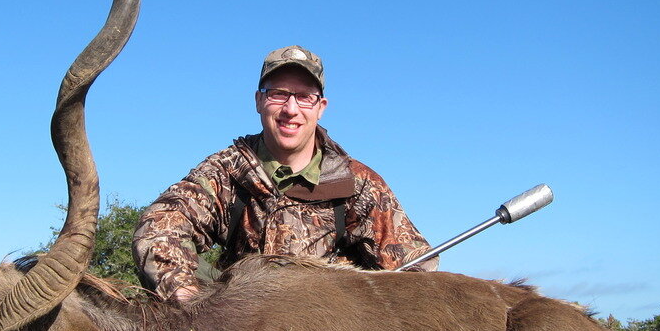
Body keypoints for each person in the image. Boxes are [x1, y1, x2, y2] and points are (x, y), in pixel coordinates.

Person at [133, 45, 437, 301]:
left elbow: (416, 272)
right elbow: (158, 228)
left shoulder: (357, 183)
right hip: (241, 328)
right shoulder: (226, 170)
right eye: (278, 94)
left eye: (305, 97)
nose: (291, 109)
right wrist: (189, 300)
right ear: (259, 101)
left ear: (321, 107)